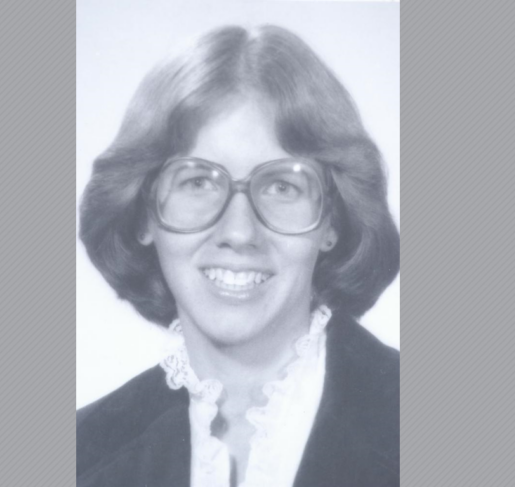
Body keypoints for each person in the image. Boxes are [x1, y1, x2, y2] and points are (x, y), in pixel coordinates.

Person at [77, 24, 400, 487]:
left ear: (332, 221)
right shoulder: (80, 455)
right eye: (198, 182)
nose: (239, 232)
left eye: (283, 186)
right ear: (143, 214)